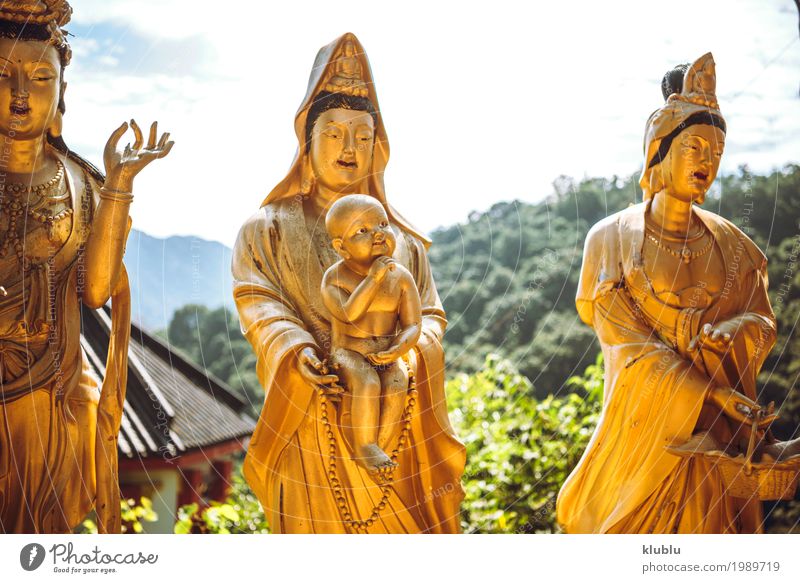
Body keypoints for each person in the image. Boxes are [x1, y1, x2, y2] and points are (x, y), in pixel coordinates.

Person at [232, 33, 465, 533]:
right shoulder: (267, 229)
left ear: (377, 148)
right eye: (334, 133)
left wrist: (406, 349)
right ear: (307, 144)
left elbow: (431, 316)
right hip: (312, 416)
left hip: (396, 418)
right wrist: (295, 349)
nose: (348, 148)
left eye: (362, 135)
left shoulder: (403, 242)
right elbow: (257, 300)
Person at [556, 53, 778, 533]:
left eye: (716, 153)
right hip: (645, 441)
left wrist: (736, 331)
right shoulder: (611, 241)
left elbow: (764, 325)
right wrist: (710, 392)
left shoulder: (738, 249)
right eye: (694, 147)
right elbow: (629, 346)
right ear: (660, 149)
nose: (706, 162)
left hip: (720, 445)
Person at [0, 1, 173, 533]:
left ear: (62, 94)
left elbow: (96, 290)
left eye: (41, 77)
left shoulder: (82, 183)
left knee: (83, 406)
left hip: (55, 376)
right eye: (4, 76)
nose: (22, 95)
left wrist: (119, 185)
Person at [321, 194, 422, 478]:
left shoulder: (400, 277)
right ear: (341, 247)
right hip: (348, 353)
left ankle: (383, 445)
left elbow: (413, 323)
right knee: (366, 381)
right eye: (362, 231)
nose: (378, 234)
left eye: (382, 224)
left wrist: (399, 348)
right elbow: (349, 313)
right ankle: (364, 445)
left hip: (387, 352)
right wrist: (374, 278)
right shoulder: (334, 278)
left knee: (397, 382)